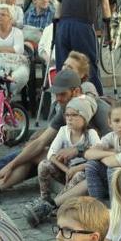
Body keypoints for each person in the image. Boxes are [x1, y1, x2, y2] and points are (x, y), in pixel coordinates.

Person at [25, 96, 101, 227]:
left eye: (74, 115)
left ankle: (56, 205)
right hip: (65, 171)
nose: (69, 118)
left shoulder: (91, 134)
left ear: (85, 117)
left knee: (79, 175)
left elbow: (98, 157)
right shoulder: (63, 130)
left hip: (81, 173)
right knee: (44, 164)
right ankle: (44, 198)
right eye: (67, 115)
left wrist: (76, 169)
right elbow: (51, 154)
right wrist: (67, 170)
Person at [55, 0, 111, 97]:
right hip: (83, 25)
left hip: (63, 26)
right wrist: (107, 23)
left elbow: (57, 9)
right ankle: (95, 99)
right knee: (88, 65)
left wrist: (56, 27)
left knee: (64, 66)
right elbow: (105, 6)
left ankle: (62, 100)